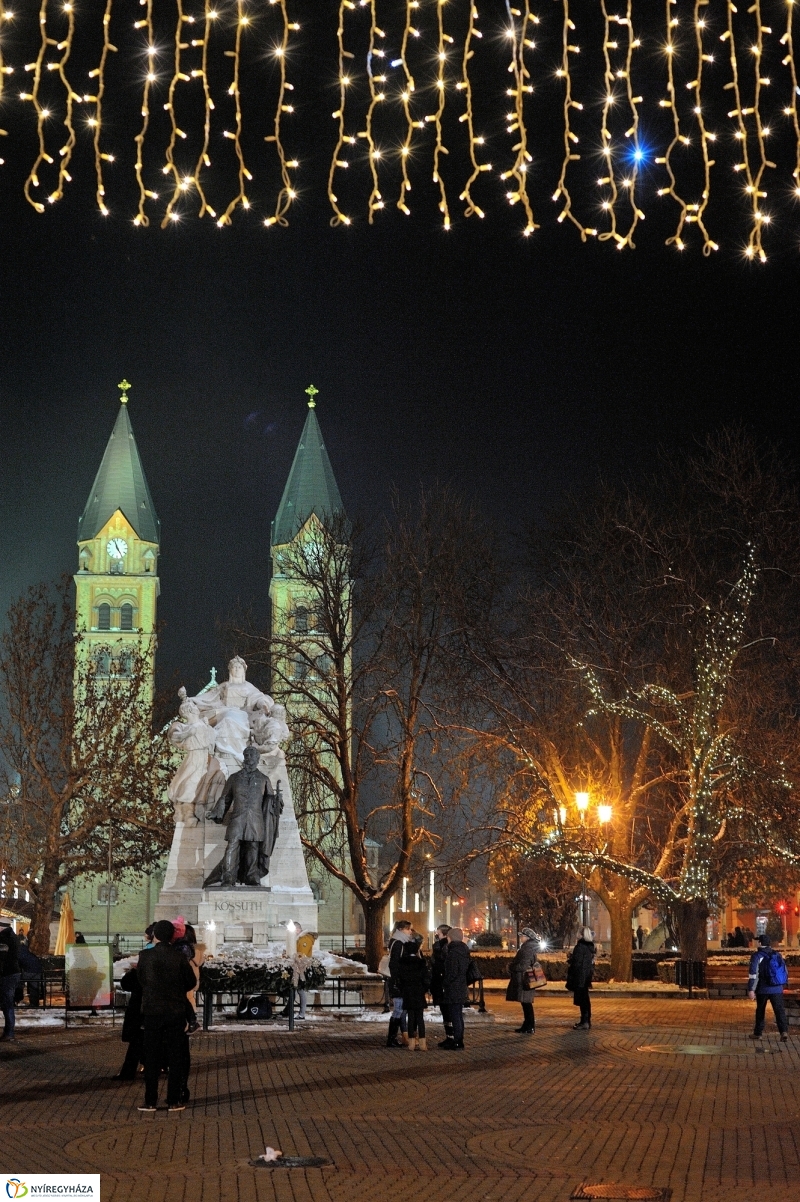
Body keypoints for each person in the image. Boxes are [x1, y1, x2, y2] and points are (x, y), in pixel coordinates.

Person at [136, 920, 197, 1111]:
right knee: (175, 1057)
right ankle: (173, 1100)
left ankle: (150, 1101)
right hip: (175, 1011)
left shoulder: (145, 956)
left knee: (152, 1056)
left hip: (153, 1011)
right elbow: (190, 982)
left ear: (155, 935)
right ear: (172, 936)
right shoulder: (179, 957)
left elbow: (141, 979)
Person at [747, 933, 789, 1041]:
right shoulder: (777, 955)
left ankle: (758, 1033)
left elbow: (753, 974)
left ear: (760, 943)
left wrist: (751, 989)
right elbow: (784, 971)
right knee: (779, 1010)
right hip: (777, 988)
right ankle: (783, 1032)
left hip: (762, 989)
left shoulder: (757, 956)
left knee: (760, 1010)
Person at [505, 926, 540, 1035]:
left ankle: (529, 1026)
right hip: (525, 979)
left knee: (526, 1003)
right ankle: (527, 1025)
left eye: (522, 936)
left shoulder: (527, 948)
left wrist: (511, 967)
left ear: (528, 937)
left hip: (524, 979)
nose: (521, 938)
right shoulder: (528, 947)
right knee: (525, 1003)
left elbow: (523, 966)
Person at [440, 927, 470, 1050]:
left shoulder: (453, 953)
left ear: (450, 938)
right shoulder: (464, 950)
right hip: (461, 986)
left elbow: (452, 972)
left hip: (453, 988)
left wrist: (445, 982)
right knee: (458, 1015)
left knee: (455, 1015)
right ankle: (459, 1039)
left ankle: (458, 1041)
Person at [397, 941, 430, 1050]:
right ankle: (423, 1043)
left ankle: (411, 1043)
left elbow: (399, 980)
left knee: (410, 1017)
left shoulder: (402, 963)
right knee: (420, 1018)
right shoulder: (421, 962)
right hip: (419, 991)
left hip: (408, 992)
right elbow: (426, 979)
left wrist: (403, 989)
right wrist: (423, 989)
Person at [386, 921, 413, 1047]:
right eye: (408, 929)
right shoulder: (398, 943)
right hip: (398, 982)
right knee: (398, 1010)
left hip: (398, 981)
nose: (410, 932)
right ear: (401, 929)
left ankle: (393, 1038)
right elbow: (394, 964)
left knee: (400, 1010)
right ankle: (391, 1039)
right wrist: (397, 980)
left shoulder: (397, 942)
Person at [567, 927, 596, 1029]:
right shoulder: (589, 947)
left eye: (578, 933)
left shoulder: (580, 947)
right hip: (585, 976)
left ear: (581, 935)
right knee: (585, 1000)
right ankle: (586, 1021)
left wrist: (571, 959)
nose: (576, 935)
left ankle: (584, 1022)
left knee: (583, 1001)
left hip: (580, 977)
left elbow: (578, 963)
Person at [0, 920, 21, 1042]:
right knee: (7, 1003)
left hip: (7, 974)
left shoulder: (4, 940)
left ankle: (9, 1033)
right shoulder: (14, 938)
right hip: (13, 973)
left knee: (7, 1004)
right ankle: (9, 1032)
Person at [429, 924, 450, 1012]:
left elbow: (440, 958)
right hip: (441, 974)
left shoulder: (442, 945)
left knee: (440, 996)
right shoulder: (444, 945)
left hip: (440, 974)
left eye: (438, 934)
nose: (437, 936)